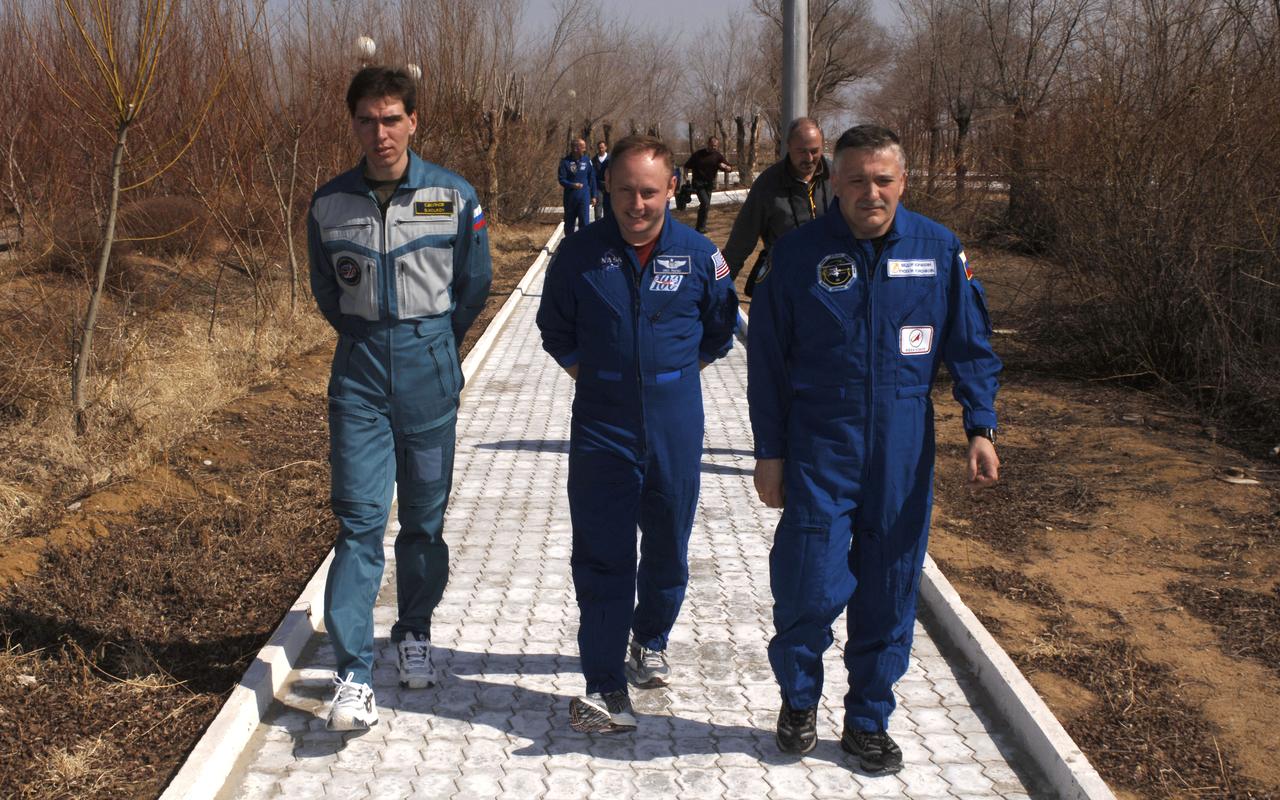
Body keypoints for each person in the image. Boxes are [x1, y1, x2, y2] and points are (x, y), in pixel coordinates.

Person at [747, 124, 1001, 774]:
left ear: (903, 181)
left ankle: (867, 720)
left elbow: (970, 346)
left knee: (889, 589)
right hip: (821, 446)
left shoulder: (938, 251)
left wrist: (980, 426)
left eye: (883, 179)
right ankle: (799, 699)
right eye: (857, 179)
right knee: (808, 582)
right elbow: (767, 363)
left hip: (903, 450)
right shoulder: (798, 255)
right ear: (834, 181)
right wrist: (769, 452)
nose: (871, 192)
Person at [307, 66, 493, 731]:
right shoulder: (329, 204)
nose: (380, 133)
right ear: (353, 124)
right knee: (359, 522)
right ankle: (353, 674)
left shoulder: (453, 196)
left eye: (391, 119)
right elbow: (327, 291)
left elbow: (474, 285)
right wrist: (371, 337)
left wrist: (434, 344)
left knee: (422, 520)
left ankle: (414, 631)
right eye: (367, 120)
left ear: (414, 121)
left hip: (428, 374)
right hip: (359, 377)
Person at [537, 135, 739, 733]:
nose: (636, 204)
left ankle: (650, 637)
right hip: (603, 422)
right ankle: (604, 682)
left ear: (672, 188)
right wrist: (604, 378)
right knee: (603, 553)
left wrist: (668, 378)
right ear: (606, 187)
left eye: (649, 191)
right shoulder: (578, 254)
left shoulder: (701, 256)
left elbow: (720, 330)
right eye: (624, 190)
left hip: (675, 420)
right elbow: (555, 328)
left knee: (669, 542)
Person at [723, 117, 833, 297]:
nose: (809, 158)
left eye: (815, 151)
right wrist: (719, 288)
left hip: (832, 279)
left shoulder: (837, 177)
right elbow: (741, 240)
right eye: (801, 151)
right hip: (786, 282)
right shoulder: (768, 184)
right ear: (788, 146)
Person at [683, 136, 734, 233]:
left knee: (706, 205)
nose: (714, 147)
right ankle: (700, 228)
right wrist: (685, 178)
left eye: (716, 146)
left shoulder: (717, 156)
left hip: (709, 183)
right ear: (708, 144)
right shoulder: (698, 155)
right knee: (705, 203)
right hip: (698, 183)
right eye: (712, 145)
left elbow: (730, 168)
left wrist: (726, 167)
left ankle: (701, 227)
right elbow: (686, 166)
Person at [559, 137, 597, 235]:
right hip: (570, 198)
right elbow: (561, 179)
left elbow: (592, 178)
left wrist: (594, 195)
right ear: (575, 148)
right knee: (569, 223)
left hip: (584, 197)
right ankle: (570, 243)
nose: (585, 149)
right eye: (583, 147)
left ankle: (583, 242)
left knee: (584, 222)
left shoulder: (587, 160)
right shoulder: (565, 162)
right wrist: (572, 185)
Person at [591, 140, 611, 221]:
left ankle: (608, 225)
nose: (601, 149)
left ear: (606, 147)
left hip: (609, 186)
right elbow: (592, 175)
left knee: (608, 207)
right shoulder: (594, 160)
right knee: (598, 208)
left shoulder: (610, 158)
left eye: (602, 147)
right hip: (598, 186)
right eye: (599, 148)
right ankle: (598, 225)